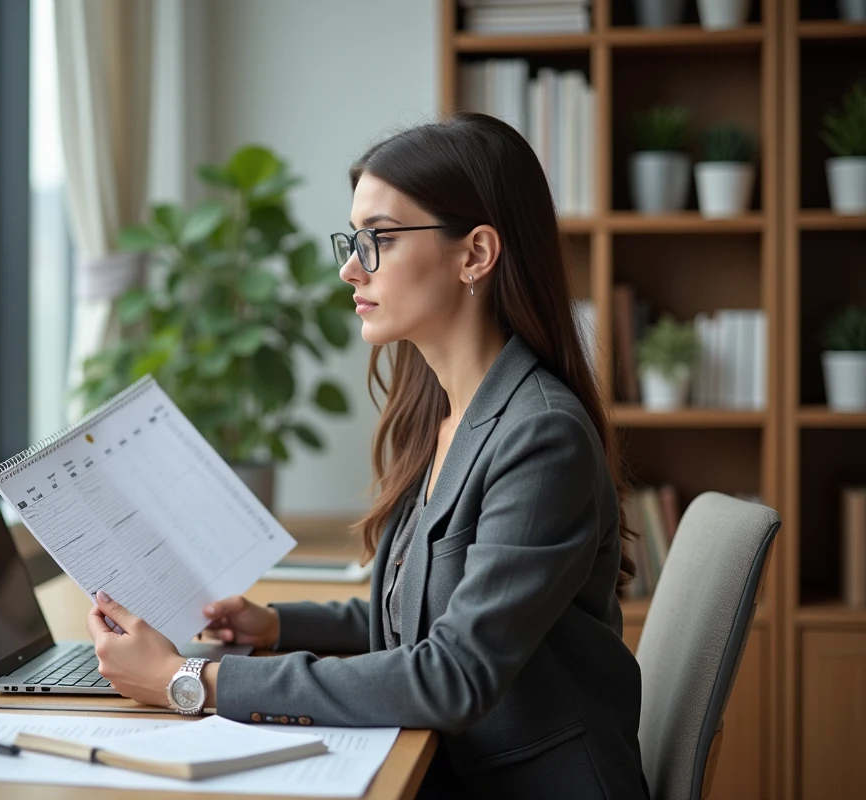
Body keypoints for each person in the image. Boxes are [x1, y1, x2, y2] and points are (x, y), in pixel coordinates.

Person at [83, 111, 650, 799]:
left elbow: (451, 675)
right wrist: (278, 624)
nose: (351, 268)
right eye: (353, 240)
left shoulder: (541, 436)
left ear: (475, 254)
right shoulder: (446, 415)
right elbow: (425, 612)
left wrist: (193, 680)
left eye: (379, 239)